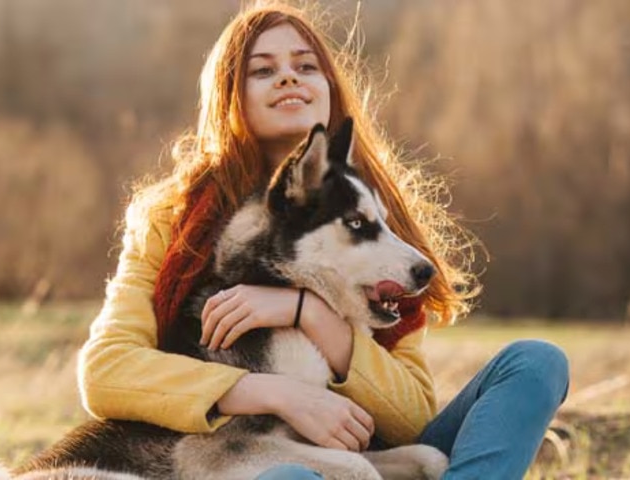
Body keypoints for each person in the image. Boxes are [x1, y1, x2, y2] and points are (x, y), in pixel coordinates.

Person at [77, 3, 569, 479]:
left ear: (329, 87)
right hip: (243, 457)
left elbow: (412, 416)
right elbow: (106, 371)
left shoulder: (377, 221)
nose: (289, 77)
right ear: (231, 97)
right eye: (263, 70)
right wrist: (274, 393)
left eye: (305, 65)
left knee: (536, 362)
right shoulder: (170, 220)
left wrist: (307, 314)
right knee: (289, 477)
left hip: (372, 451)